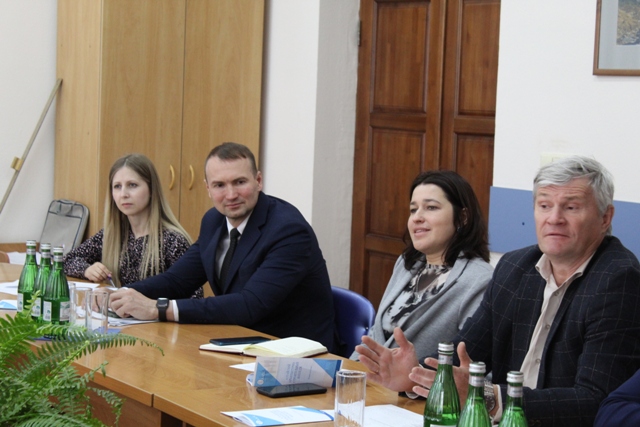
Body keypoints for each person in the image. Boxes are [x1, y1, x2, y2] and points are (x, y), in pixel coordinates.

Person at [356, 155, 640, 427]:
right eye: (544, 205)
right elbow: (466, 351)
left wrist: (491, 398)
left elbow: (596, 401)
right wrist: (415, 377)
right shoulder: (516, 267)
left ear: (605, 217)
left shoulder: (619, 279)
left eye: (571, 207)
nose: (554, 218)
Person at [108, 142, 336, 351]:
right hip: (238, 342)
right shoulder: (214, 221)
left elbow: (250, 304)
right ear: (208, 188)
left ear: (258, 181)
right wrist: (119, 295)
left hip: (293, 354)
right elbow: (177, 280)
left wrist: (157, 308)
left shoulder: (289, 230)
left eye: (240, 182)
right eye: (219, 185)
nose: (231, 195)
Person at [350, 170, 492, 360]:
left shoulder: (479, 279)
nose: (417, 217)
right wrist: (348, 369)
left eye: (431, 207)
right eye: (413, 209)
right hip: (369, 372)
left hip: (418, 379)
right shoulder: (407, 263)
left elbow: (471, 360)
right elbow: (377, 333)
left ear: (462, 217)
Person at [64, 153, 202, 298]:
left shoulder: (173, 240)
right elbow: (67, 260)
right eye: (117, 186)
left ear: (151, 190)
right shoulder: (112, 235)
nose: (123, 194)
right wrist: (87, 270)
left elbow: (195, 297)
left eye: (132, 185)